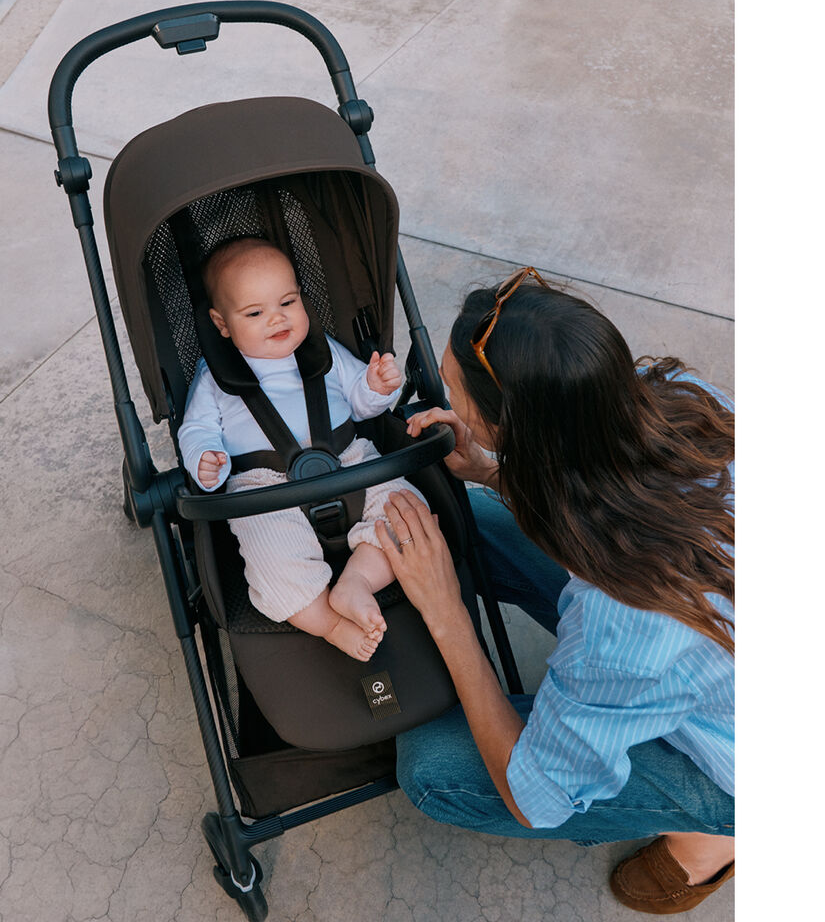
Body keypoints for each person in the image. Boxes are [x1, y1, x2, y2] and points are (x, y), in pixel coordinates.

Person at [375, 268, 735, 915]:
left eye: (460, 398)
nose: (451, 406)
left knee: (430, 770)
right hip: (710, 640)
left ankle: (718, 832)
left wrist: (445, 614)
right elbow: (597, 486)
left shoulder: (622, 620)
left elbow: (535, 798)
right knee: (467, 521)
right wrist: (490, 469)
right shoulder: (681, 397)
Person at [177, 237, 426, 661]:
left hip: (352, 461)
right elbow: (196, 428)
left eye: (288, 303)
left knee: (410, 516)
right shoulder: (214, 377)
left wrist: (377, 386)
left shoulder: (323, 350)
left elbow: (360, 402)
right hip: (265, 488)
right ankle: (329, 625)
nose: (277, 319)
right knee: (273, 569)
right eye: (255, 313)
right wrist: (206, 459)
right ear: (222, 324)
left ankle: (357, 583)